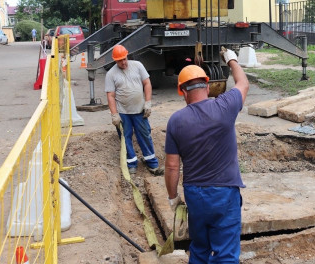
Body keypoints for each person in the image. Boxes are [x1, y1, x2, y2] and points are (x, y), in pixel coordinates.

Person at [165, 48, 249, 263]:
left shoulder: (176, 121)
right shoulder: (225, 106)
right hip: (224, 192)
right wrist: (231, 60)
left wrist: (173, 197)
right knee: (226, 252)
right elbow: (243, 84)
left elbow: (172, 166)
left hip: (195, 194)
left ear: (183, 92)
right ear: (207, 85)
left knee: (200, 248)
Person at [105, 45, 163, 175]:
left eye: (124, 59)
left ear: (127, 56)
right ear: (115, 60)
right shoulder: (111, 74)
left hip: (139, 110)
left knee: (144, 135)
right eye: (120, 60)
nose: (123, 62)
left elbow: (147, 83)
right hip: (123, 112)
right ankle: (131, 163)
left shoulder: (137, 66)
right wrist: (114, 115)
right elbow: (110, 96)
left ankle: (152, 163)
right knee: (125, 138)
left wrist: (147, 103)